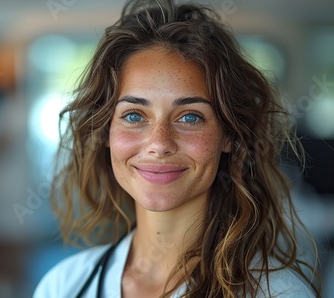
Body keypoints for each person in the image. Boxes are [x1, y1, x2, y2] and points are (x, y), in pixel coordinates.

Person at [34, 0, 321, 297]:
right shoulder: (63, 286)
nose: (159, 143)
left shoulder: (280, 292)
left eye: (190, 117)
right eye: (134, 116)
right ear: (106, 131)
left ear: (229, 137)